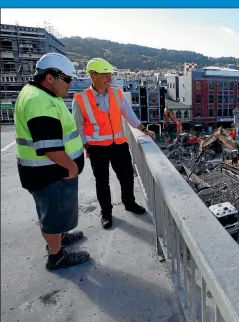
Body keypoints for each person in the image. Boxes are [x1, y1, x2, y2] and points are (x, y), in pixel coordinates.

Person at [15, 52, 90, 270]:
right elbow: (49, 146)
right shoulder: (39, 101)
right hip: (50, 172)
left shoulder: (41, 95)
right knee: (52, 213)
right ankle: (56, 256)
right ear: (50, 77)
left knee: (55, 211)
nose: (70, 84)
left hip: (48, 172)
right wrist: (71, 166)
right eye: (67, 79)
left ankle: (59, 237)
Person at [72, 58, 156, 229]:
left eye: (110, 75)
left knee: (126, 176)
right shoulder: (81, 99)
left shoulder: (117, 94)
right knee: (102, 182)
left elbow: (128, 114)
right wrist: (87, 146)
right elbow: (77, 126)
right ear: (93, 75)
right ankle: (106, 213)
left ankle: (129, 203)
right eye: (105, 75)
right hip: (97, 148)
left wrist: (143, 129)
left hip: (119, 144)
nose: (109, 79)